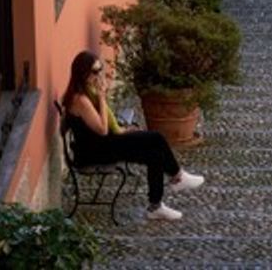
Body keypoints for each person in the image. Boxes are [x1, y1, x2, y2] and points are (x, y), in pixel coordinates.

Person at [61, 50, 203, 221]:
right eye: (95, 71)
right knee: (155, 138)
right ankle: (177, 178)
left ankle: (157, 204)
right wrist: (102, 97)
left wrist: (121, 129)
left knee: (154, 153)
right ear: (82, 72)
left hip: (103, 144)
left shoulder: (88, 91)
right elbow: (103, 130)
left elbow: (105, 128)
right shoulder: (80, 99)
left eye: (100, 69)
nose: (99, 75)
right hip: (95, 152)